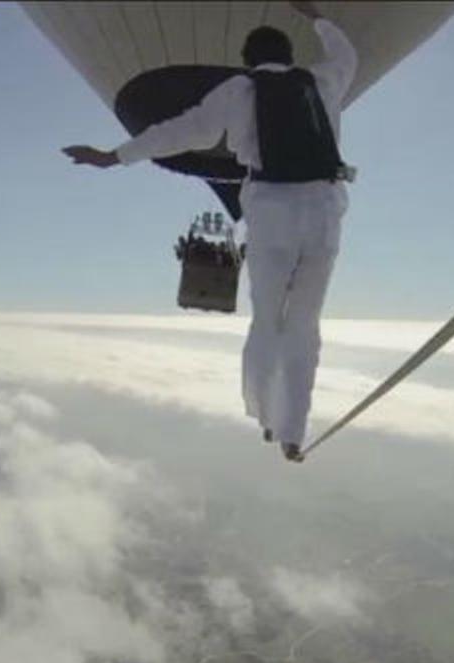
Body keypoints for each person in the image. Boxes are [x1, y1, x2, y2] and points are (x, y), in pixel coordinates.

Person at [63, 0, 357, 463]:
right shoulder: (321, 81)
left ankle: (265, 415)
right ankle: (293, 432)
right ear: (289, 54)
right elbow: (346, 55)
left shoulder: (239, 89)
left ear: (248, 60)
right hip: (324, 210)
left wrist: (113, 156)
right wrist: (316, 16)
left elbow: (182, 131)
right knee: (304, 324)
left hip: (271, 211)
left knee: (267, 319)